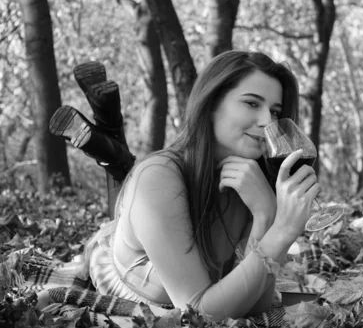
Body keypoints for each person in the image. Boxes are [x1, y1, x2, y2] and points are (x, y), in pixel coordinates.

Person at [84, 50, 321, 320]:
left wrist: (265, 215)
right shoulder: (158, 178)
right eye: (252, 104)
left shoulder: (250, 180)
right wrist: (282, 231)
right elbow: (200, 315)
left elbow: (253, 306)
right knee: (134, 178)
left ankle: (116, 156)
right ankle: (113, 150)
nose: (268, 121)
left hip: (196, 288)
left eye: (275, 111)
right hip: (133, 285)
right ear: (210, 105)